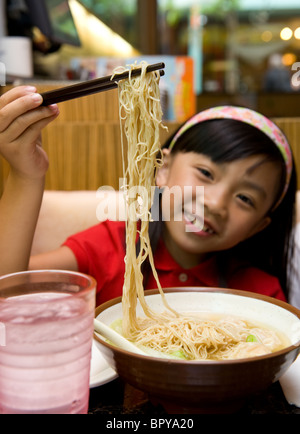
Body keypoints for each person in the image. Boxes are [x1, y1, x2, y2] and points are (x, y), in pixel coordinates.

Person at [0, 86, 297, 307]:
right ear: (163, 169)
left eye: (245, 199)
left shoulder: (261, 293)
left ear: (259, 226)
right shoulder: (114, 246)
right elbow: (6, 289)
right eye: (206, 173)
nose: (216, 203)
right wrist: (26, 175)